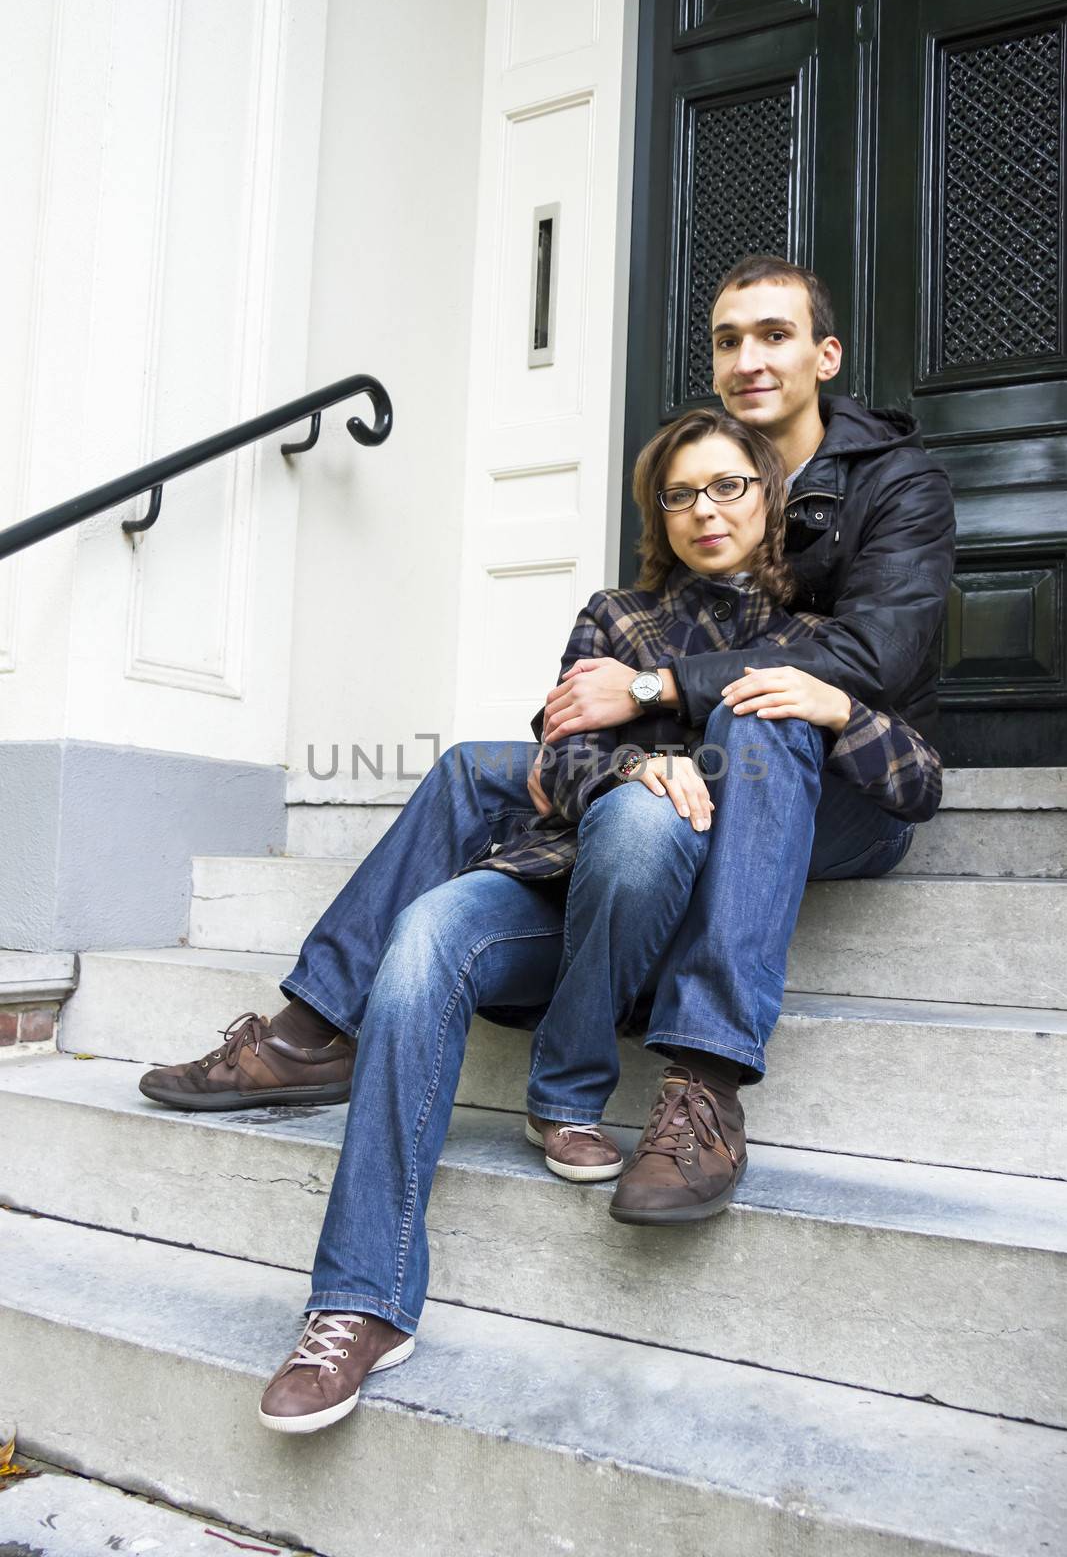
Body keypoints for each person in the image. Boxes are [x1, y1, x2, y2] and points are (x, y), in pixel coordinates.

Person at [140, 405, 941, 1435]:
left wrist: (835, 712)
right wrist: (629, 764)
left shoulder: (816, 644)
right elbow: (546, 761)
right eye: (680, 492)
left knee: (655, 835)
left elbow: (915, 781)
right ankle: (359, 1301)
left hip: (690, 914)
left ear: (771, 500)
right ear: (657, 513)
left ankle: (572, 1074)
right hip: (556, 883)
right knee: (426, 936)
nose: (705, 509)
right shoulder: (617, 617)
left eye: (729, 487)